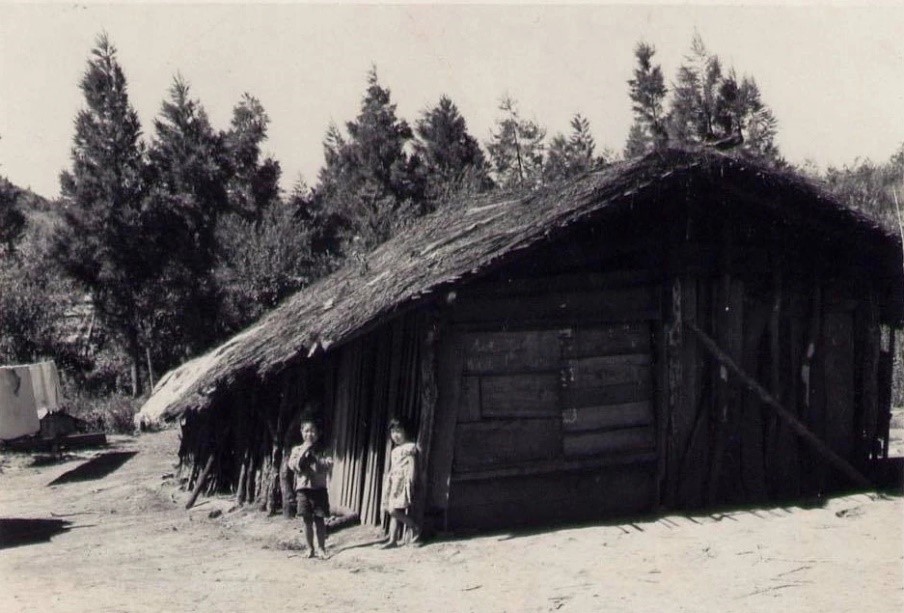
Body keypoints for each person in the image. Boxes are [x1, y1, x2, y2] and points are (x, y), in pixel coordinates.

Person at [287, 418, 332, 559]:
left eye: (313, 431)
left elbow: (327, 465)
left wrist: (314, 458)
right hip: (303, 490)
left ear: (318, 433)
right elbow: (294, 466)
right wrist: (303, 453)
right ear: (301, 432)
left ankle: (321, 549)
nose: (309, 434)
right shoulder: (296, 450)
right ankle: (309, 548)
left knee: (320, 519)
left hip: (319, 489)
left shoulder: (324, 450)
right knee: (306, 520)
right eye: (306, 431)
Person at [379, 417, 421, 548]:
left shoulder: (409, 447)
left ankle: (415, 526)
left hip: (403, 482)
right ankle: (393, 540)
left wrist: (411, 482)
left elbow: (412, 465)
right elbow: (393, 468)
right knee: (393, 510)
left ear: (406, 431)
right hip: (394, 483)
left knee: (393, 510)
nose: (395, 435)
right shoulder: (394, 450)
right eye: (392, 432)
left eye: (398, 431)